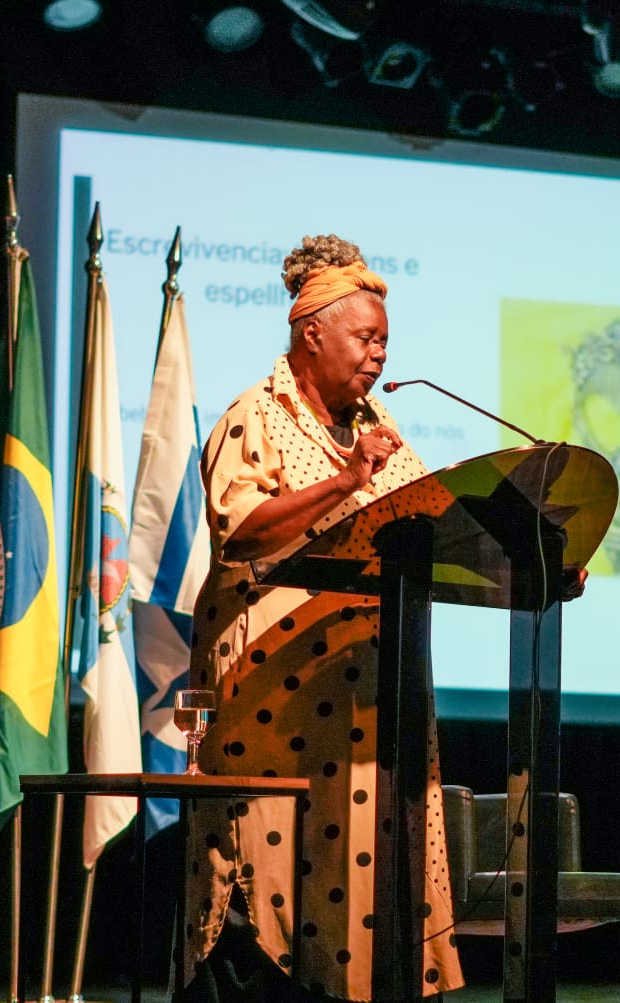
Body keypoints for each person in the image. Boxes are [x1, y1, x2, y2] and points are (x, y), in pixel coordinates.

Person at [177, 235, 462, 1003]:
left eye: (384, 343)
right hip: (274, 696)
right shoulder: (254, 416)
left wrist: (530, 555)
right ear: (311, 333)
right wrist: (345, 481)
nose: (376, 356)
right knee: (265, 878)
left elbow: (436, 521)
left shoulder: (379, 433)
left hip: (370, 702)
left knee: (358, 890)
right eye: (364, 338)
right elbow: (241, 529)